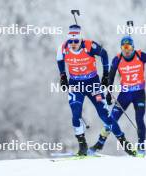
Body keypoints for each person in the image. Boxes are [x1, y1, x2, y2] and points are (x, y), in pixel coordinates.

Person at [56, 25, 136, 156]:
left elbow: (104, 54)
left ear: (81, 39)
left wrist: (105, 75)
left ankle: (124, 142)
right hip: (76, 85)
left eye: (76, 41)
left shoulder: (89, 46)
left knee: (104, 115)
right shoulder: (63, 48)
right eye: (70, 41)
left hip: (92, 84)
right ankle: (82, 146)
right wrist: (63, 75)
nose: (73, 44)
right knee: (75, 114)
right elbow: (59, 59)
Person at [90, 35, 146, 157]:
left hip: (139, 94)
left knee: (139, 119)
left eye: (128, 47)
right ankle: (100, 143)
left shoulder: (140, 55)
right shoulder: (117, 59)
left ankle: (141, 149)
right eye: (123, 47)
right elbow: (110, 77)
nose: (126, 50)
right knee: (111, 119)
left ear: (133, 47)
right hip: (124, 95)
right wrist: (109, 93)